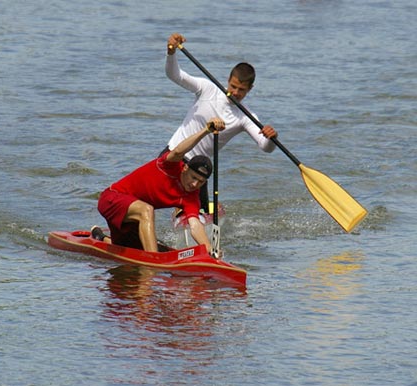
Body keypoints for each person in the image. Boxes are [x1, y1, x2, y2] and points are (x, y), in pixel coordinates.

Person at [164, 33, 279, 211]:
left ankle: (198, 212)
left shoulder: (245, 116)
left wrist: (271, 138)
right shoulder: (207, 89)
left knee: (198, 212)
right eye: (233, 86)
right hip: (173, 153)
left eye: (241, 90)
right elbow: (175, 76)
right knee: (150, 197)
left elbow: (265, 147)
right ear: (228, 81)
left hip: (198, 168)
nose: (235, 92)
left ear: (250, 89)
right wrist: (171, 53)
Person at [95, 118, 226, 255]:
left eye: (200, 181)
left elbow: (194, 225)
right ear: (185, 168)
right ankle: (153, 260)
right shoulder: (170, 166)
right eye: (193, 177)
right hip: (112, 198)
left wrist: (209, 249)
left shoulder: (191, 197)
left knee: (133, 250)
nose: (195, 184)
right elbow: (178, 152)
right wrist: (206, 130)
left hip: (134, 214)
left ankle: (100, 237)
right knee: (147, 210)